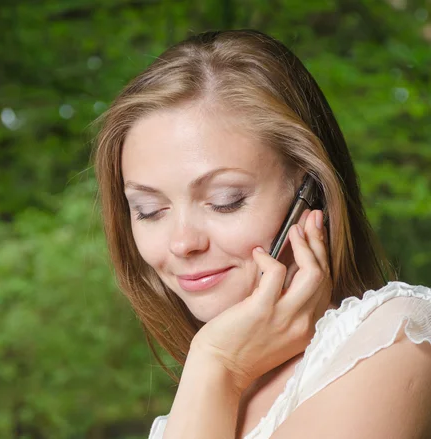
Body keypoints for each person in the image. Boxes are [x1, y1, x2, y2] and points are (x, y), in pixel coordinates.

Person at [92, 29, 431, 438]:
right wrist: (216, 368)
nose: (182, 243)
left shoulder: (396, 339)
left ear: (311, 193)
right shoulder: (211, 382)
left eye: (225, 200)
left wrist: (216, 363)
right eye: (149, 211)